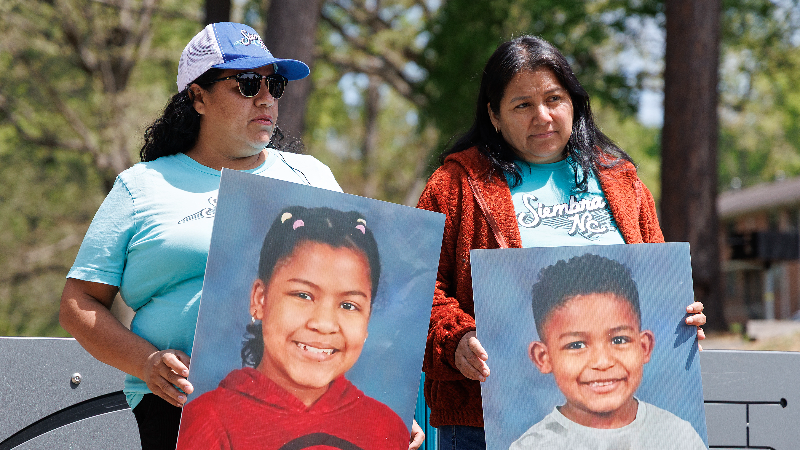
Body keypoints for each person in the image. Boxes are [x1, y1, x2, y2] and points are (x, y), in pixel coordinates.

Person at [59, 22, 423, 450]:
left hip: (311, 415)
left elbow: (362, 296)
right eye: (248, 84)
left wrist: (391, 407)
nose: (266, 97)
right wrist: (147, 362)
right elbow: (77, 303)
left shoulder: (312, 176)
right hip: (177, 408)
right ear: (198, 96)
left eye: (275, 84)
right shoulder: (142, 187)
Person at [415, 35, 706, 449]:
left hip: (622, 427)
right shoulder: (455, 186)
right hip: (488, 422)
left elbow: (657, 280)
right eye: (522, 105)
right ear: (494, 116)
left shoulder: (622, 182)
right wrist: (455, 340)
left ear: (575, 104)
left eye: (554, 99)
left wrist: (681, 316)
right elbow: (415, 290)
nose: (543, 116)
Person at [176, 206, 411, 449]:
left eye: (348, 305)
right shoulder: (210, 420)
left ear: (367, 320)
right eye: (303, 295)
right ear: (260, 299)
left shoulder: (388, 429)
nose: (324, 324)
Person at [510, 254, 706, 450]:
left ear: (644, 346)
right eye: (576, 345)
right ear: (543, 358)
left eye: (619, 340)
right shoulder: (532, 446)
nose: (602, 362)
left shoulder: (678, 437)